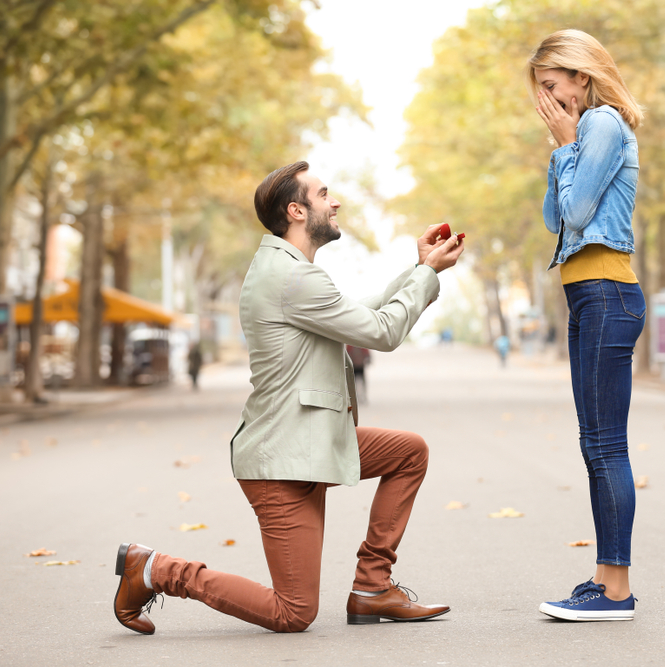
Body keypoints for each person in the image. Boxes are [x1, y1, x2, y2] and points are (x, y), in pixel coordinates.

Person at [113, 161, 465, 635]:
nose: (335, 201)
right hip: (281, 460)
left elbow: (357, 314)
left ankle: (372, 586)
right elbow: (381, 332)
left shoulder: (291, 270)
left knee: (408, 452)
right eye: (324, 195)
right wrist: (426, 277)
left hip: (312, 443)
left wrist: (419, 270)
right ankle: (155, 569)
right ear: (297, 210)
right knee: (293, 612)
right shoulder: (292, 278)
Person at [528, 29, 646, 621]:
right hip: (589, 296)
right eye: (540, 93)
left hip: (607, 293)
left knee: (606, 446)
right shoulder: (579, 135)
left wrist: (568, 141)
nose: (546, 101)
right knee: (594, 443)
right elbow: (555, 216)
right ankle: (605, 579)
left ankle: (617, 591)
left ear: (580, 75)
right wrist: (561, 148)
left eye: (551, 87)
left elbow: (576, 212)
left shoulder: (599, 124)